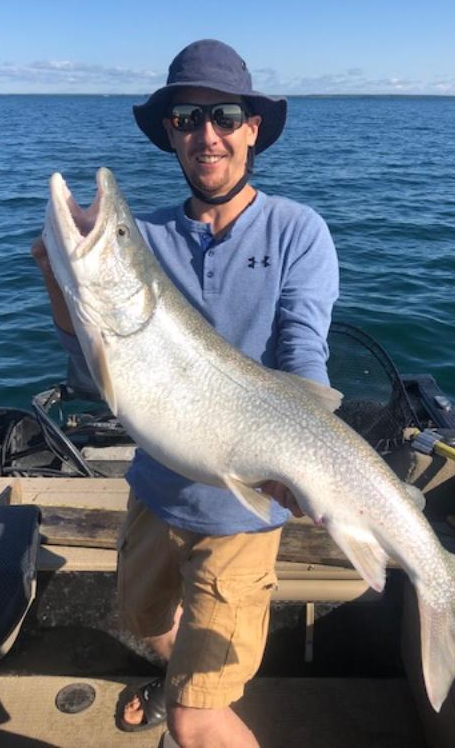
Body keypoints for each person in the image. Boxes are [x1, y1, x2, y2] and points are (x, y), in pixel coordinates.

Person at [32, 39, 339, 748]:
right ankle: (180, 681)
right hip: (155, 491)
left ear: (252, 127)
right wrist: (59, 277)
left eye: (225, 115)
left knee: (201, 721)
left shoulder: (299, 231)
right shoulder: (145, 236)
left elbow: (304, 355)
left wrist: (306, 462)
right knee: (141, 621)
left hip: (243, 511)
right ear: (170, 133)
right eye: (187, 119)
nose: (207, 134)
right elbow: (96, 376)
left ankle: (192, 704)